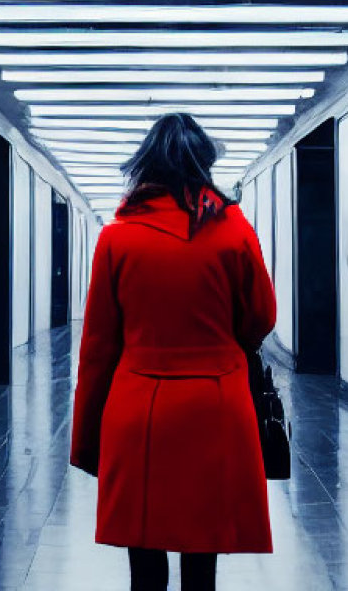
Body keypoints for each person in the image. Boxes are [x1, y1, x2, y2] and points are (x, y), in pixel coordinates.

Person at [70, 113, 277, 591]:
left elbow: (98, 346)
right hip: (218, 407)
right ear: (204, 164)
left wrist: (86, 439)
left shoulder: (116, 239)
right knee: (202, 557)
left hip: (138, 410)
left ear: (145, 167)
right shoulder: (234, 232)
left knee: (144, 559)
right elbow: (261, 318)